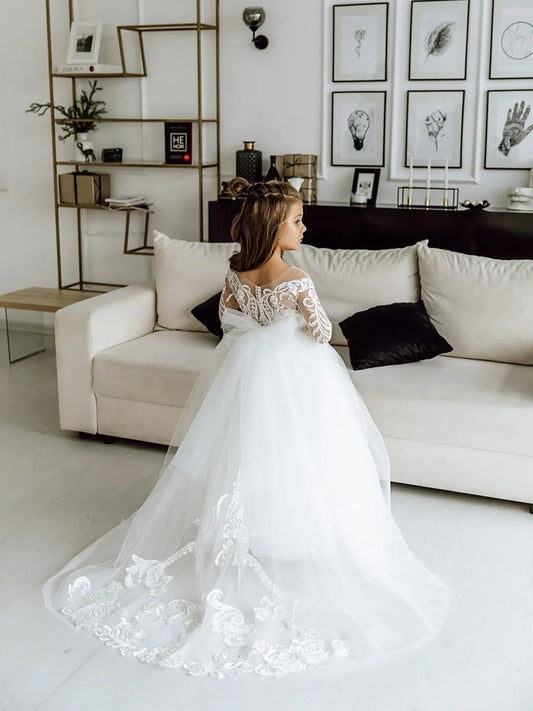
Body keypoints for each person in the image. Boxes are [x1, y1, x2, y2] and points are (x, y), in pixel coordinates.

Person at [43, 178, 456, 679]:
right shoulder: (296, 278)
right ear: (274, 227)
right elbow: (323, 332)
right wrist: (300, 319)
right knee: (303, 453)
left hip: (247, 370)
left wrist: (263, 324)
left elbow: (227, 316)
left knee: (248, 451)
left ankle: (251, 532)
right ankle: (296, 536)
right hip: (299, 374)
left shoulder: (237, 269)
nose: (305, 226)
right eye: (298, 220)